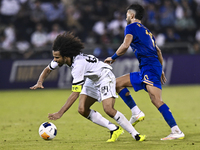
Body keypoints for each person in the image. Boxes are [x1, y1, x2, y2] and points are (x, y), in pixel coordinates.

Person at [30, 32, 146, 142]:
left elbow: (75, 94)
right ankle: (114, 129)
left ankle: (135, 134)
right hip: (92, 79)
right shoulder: (64, 59)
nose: (55, 60)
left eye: (57, 57)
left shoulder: (78, 66)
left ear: (66, 56)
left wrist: (60, 112)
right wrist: (40, 81)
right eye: (54, 57)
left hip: (104, 76)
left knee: (108, 109)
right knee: (82, 109)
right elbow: (47, 69)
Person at [104, 4, 185, 140]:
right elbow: (158, 51)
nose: (126, 17)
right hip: (150, 68)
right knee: (117, 83)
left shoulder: (130, 27)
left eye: (127, 15)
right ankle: (136, 112)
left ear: (132, 15)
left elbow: (125, 45)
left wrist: (112, 58)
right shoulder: (147, 31)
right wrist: (161, 70)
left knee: (156, 100)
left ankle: (176, 130)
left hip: (150, 68)